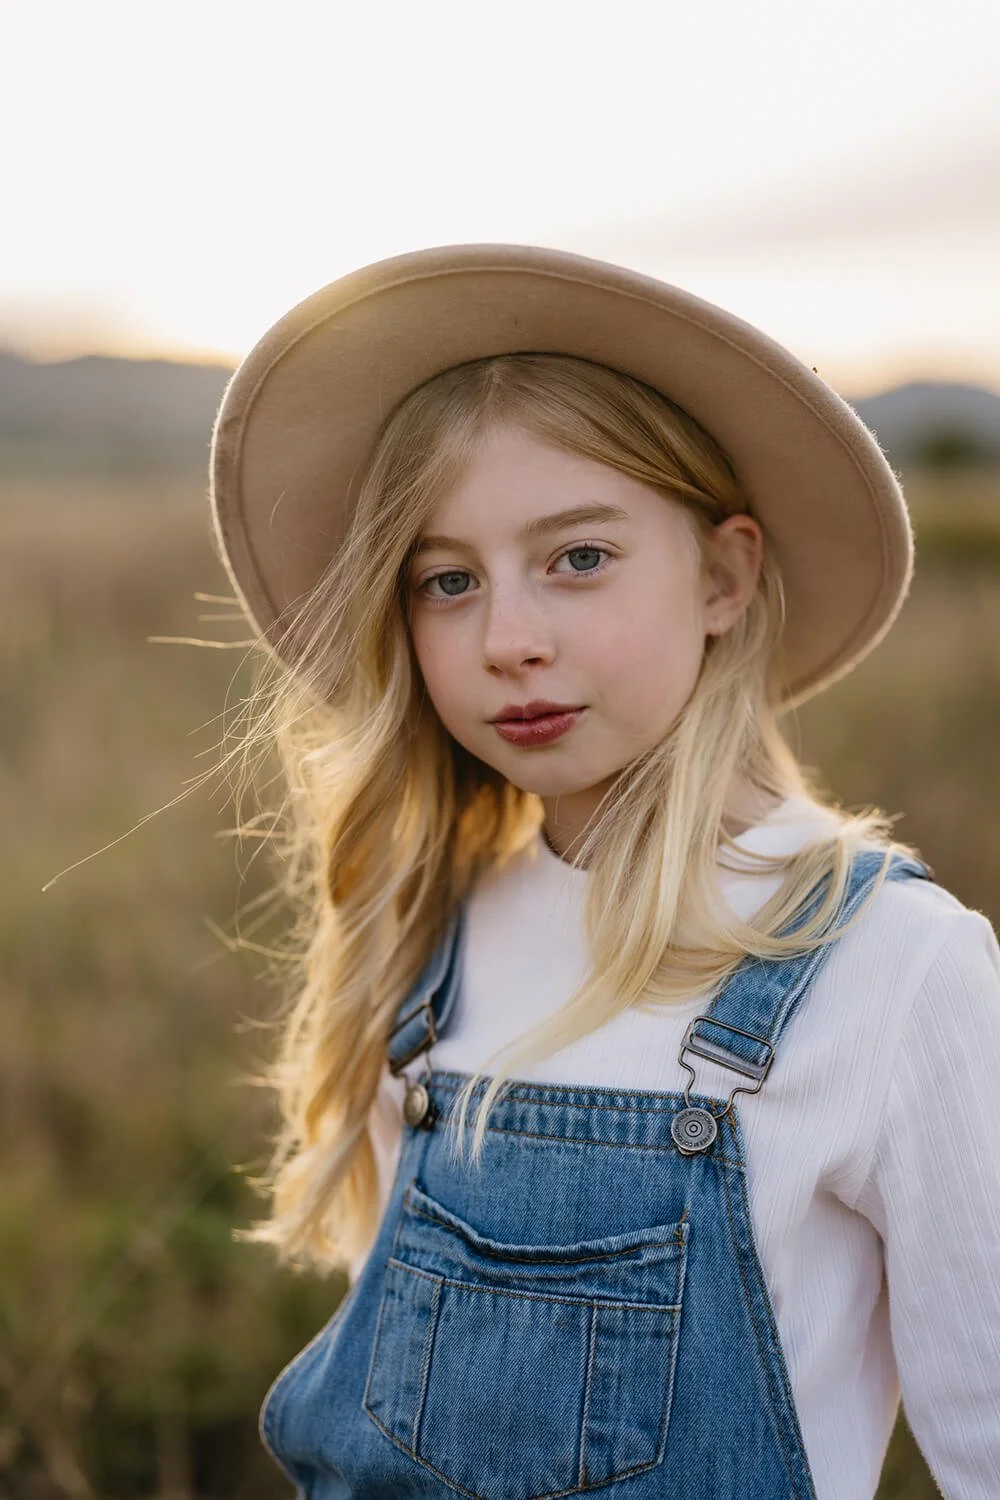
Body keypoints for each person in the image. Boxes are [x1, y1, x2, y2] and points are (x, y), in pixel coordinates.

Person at [208, 244, 1000, 1499]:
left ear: (723, 577)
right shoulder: (432, 936)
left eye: (578, 557)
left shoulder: (889, 969)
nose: (508, 640)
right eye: (446, 580)